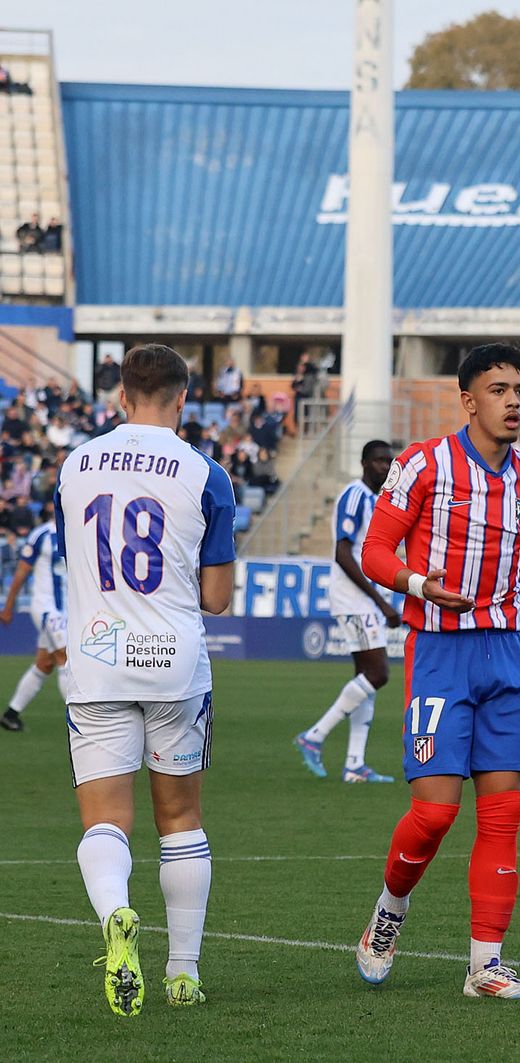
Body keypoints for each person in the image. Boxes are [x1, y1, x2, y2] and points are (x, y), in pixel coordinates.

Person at [352, 343, 520, 1001]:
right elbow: (374, 550)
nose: (513, 401)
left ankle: (486, 965)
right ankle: (389, 912)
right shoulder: (423, 464)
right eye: (499, 389)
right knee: (434, 813)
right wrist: (420, 584)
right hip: (441, 652)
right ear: (467, 399)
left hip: (507, 651)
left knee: (503, 813)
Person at [54, 343, 237, 1014]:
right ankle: (183, 972)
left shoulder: (74, 466)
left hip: (98, 660)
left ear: (121, 396)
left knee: (106, 821)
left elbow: (75, 560)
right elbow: (216, 598)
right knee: (181, 818)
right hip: (174, 663)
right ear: (184, 398)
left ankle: (116, 914)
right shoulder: (205, 473)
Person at [293, 440, 402, 783]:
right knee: (379, 673)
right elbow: (342, 552)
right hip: (353, 597)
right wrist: (380, 601)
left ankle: (355, 764)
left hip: (365, 598)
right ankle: (314, 737)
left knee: (366, 678)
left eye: (389, 461)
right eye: (379, 461)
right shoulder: (354, 496)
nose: (385, 467)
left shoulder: (376, 500)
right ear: (364, 462)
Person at [0, 502, 66, 731]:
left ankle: (11, 715)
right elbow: (21, 572)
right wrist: (9, 606)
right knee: (67, 659)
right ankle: (79, 721)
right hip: (48, 607)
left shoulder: (79, 531)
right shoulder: (42, 535)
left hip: (68, 610)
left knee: (44, 663)